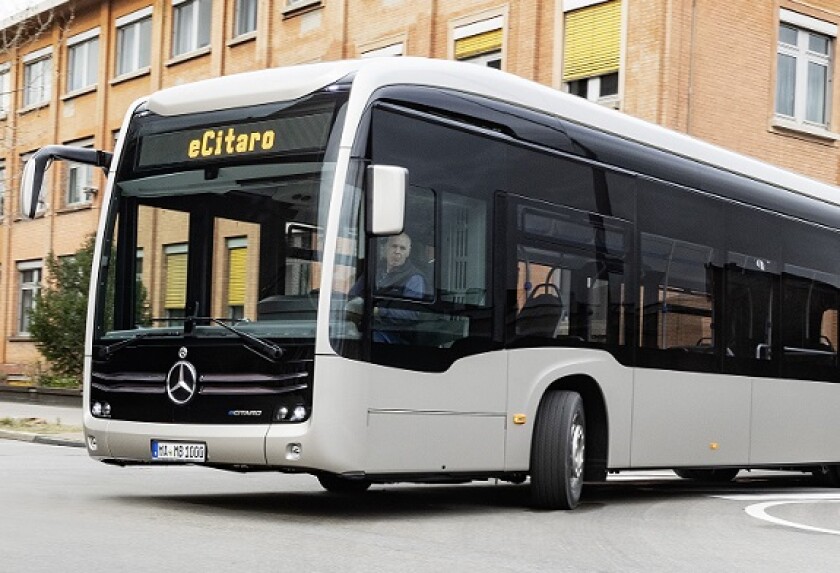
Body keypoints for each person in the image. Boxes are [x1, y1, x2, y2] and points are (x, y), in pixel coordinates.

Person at [347, 232, 427, 343]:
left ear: (408, 252)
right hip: (366, 327)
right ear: (386, 248)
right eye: (394, 246)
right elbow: (353, 295)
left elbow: (411, 314)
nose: (397, 251)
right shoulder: (373, 271)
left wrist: (379, 311)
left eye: (402, 248)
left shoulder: (414, 278)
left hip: (395, 335)